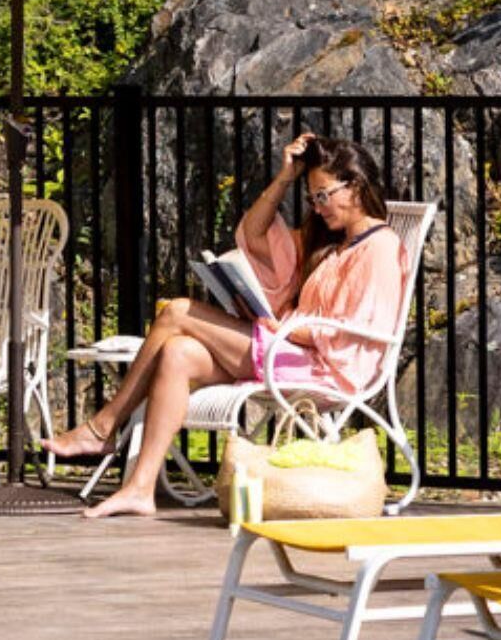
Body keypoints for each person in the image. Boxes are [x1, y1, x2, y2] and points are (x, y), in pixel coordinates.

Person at [63, 130, 406, 517]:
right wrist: (285, 178)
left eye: (323, 195)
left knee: (177, 311)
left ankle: (104, 426)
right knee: (178, 351)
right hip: (290, 348)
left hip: (322, 367)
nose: (318, 207)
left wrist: (284, 329)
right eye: (312, 198)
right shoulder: (329, 244)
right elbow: (255, 233)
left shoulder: (380, 248)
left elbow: (352, 329)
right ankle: (140, 487)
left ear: (356, 186)